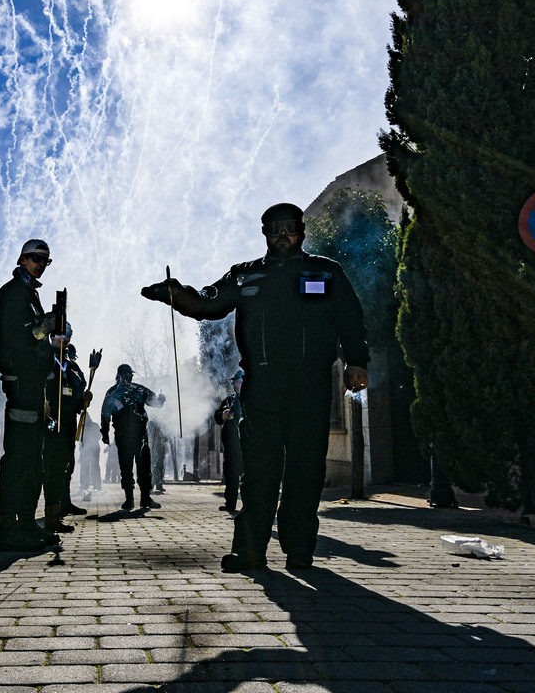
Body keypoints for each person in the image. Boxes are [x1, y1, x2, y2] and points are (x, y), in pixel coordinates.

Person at [142, 202, 369, 572]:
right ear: (264, 233)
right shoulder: (245, 276)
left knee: (305, 471)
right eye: (274, 228)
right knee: (260, 472)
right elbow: (208, 304)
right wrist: (176, 295)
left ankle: (299, 553)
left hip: (310, 386)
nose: (282, 235)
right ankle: (249, 553)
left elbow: (350, 317)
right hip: (262, 386)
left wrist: (357, 361)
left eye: (289, 227)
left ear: (302, 231)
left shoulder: (325, 272)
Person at [0, 238, 65, 552]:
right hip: (20, 385)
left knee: (32, 457)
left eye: (45, 260)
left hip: (32, 385)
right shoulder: (14, 293)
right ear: (22, 259)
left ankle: (26, 523)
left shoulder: (29, 294)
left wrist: (54, 343)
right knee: (20, 456)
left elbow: (36, 343)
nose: (40, 263)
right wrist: (44, 326)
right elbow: (18, 337)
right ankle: (10, 527)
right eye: (35, 258)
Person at [100, 364, 166, 510]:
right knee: (126, 467)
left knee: (144, 467)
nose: (129, 377)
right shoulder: (112, 393)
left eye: (130, 375)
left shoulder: (139, 389)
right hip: (123, 436)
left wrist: (160, 400)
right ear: (119, 376)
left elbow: (154, 402)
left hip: (140, 435)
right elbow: (105, 413)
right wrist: (104, 433)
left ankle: (145, 498)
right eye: (126, 375)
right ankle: (129, 498)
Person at [44, 343, 90, 532]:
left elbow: (79, 388)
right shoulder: (49, 360)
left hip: (69, 420)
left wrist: (84, 398)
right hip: (52, 420)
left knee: (67, 464)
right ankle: (49, 512)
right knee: (52, 466)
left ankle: (65, 502)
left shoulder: (72, 366)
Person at [214, 370, 245, 513]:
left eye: (236, 381)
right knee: (231, 474)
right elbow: (217, 415)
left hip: (246, 444)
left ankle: (248, 504)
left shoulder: (251, 397)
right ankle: (230, 503)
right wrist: (223, 414)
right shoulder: (229, 399)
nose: (233, 383)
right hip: (231, 444)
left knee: (247, 474)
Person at [77, 412, 102, 501]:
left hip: (94, 448)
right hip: (84, 449)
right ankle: (84, 485)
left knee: (95, 467)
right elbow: (78, 438)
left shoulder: (94, 426)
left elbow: (98, 436)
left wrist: (90, 441)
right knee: (85, 467)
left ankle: (97, 485)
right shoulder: (81, 427)